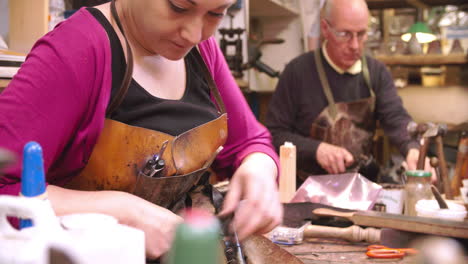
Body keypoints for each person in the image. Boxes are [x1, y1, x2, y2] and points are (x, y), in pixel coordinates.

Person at [0, 0, 282, 259]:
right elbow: (4, 188)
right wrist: (120, 211)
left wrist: (260, 168)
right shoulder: (75, 50)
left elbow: (250, 141)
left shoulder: (202, 51)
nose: (194, 34)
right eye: (178, 7)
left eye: (215, 14)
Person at [266, 0, 430, 183]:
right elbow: (274, 134)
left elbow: (396, 118)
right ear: (325, 29)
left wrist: (412, 148)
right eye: (344, 34)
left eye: (361, 34)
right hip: (304, 191)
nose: (354, 45)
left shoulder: (377, 73)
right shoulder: (297, 72)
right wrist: (316, 149)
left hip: (360, 188)